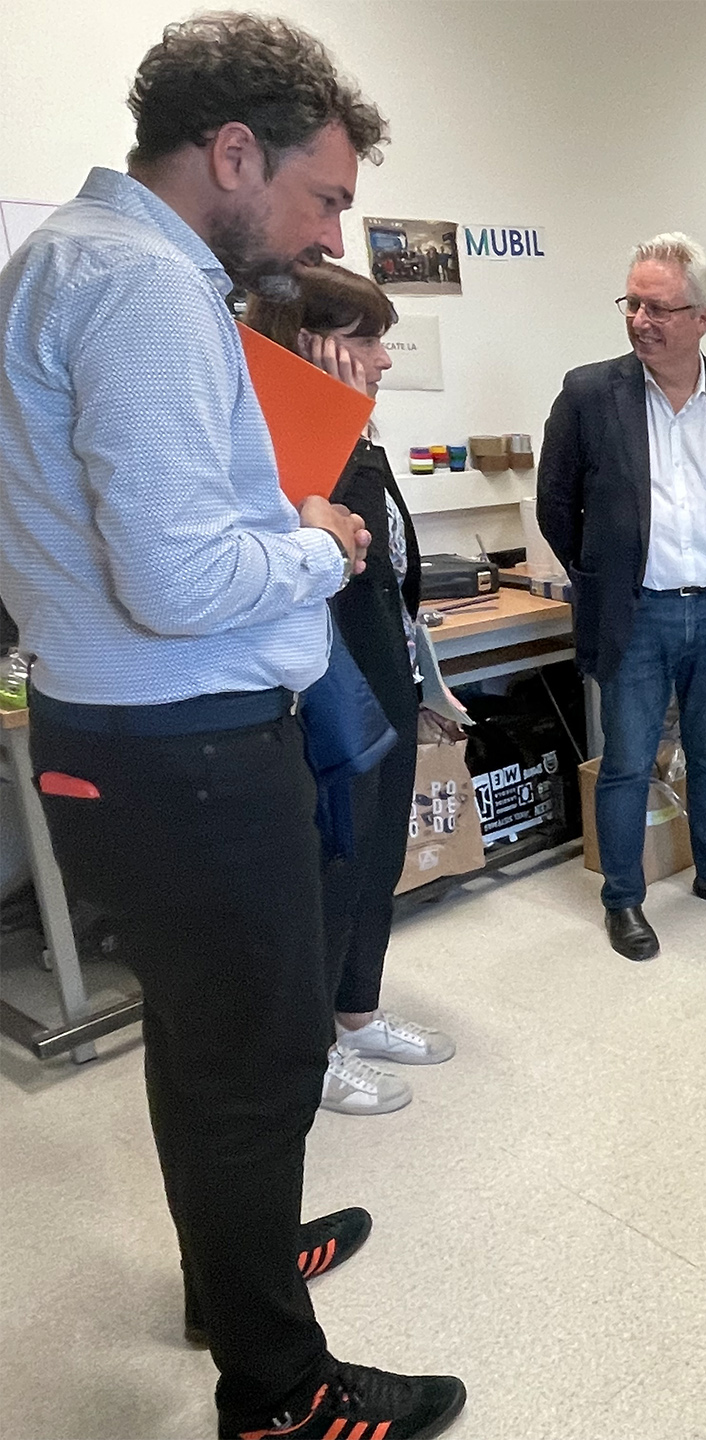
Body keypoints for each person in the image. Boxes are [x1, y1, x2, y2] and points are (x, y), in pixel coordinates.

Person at [0, 15, 465, 1439]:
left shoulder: (67, 260)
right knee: (257, 1063)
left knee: (207, 1047)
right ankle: (279, 1392)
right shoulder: (142, 286)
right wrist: (321, 543)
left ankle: (234, 1272)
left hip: (130, 739)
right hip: (188, 748)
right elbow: (178, 581)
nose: (333, 230)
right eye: (325, 195)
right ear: (234, 153)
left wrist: (275, 519)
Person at [244, 262, 457, 1115]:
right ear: (310, 343)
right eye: (366, 339)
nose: (384, 359)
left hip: (387, 681)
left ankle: (357, 1012)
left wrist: (427, 679)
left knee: (377, 861)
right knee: (334, 871)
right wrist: (323, 413)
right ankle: (314, 1050)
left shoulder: (359, 436)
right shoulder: (278, 442)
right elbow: (319, 548)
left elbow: (389, 574)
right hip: (328, 699)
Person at [537, 232, 706, 962]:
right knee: (626, 762)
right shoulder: (590, 394)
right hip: (635, 612)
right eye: (632, 304)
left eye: (659, 308)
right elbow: (556, 505)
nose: (641, 320)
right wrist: (601, 576)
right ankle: (623, 898)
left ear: (702, 317)